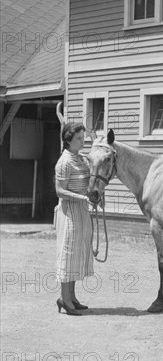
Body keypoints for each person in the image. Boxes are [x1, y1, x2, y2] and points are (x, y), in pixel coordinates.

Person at [54, 105, 93, 315]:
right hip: (69, 214)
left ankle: (72, 297)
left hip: (83, 214)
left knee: (78, 255)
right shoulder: (64, 162)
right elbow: (59, 191)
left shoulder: (82, 159)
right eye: (79, 138)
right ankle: (65, 300)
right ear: (68, 140)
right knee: (68, 255)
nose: (83, 140)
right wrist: (81, 197)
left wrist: (95, 196)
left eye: (83, 137)